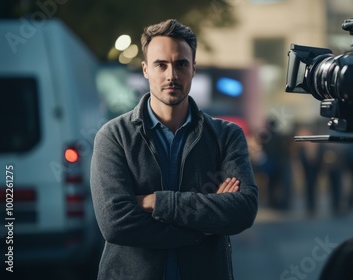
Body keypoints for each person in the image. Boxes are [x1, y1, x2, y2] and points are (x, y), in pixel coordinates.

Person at [90, 19, 258, 280]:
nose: (171, 75)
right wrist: (204, 226)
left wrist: (156, 202)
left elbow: (242, 210)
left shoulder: (226, 136)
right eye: (161, 65)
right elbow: (116, 225)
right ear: (146, 70)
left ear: (193, 69)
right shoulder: (114, 136)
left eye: (181, 64)